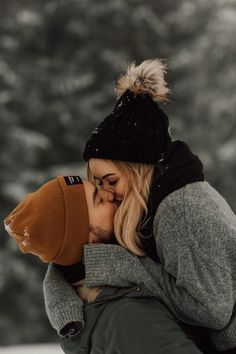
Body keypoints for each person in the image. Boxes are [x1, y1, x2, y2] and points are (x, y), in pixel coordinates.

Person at [43, 59, 236, 353]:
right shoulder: (144, 205)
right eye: (96, 183)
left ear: (137, 172)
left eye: (110, 180)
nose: (104, 193)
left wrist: (131, 270)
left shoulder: (181, 208)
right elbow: (82, 259)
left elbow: (214, 309)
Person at [4, 176, 203, 354]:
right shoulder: (129, 318)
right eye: (98, 200)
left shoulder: (95, 308)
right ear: (86, 239)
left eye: (99, 187)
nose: (110, 194)